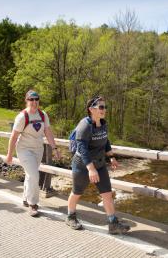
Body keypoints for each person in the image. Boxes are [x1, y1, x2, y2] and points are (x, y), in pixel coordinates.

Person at [65, 96, 130, 235]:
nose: (104, 110)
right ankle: (70, 216)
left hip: (99, 164)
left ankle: (113, 223)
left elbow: (105, 141)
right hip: (82, 165)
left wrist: (111, 157)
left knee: (107, 194)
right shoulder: (84, 125)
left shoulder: (103, 124)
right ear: (91, 109)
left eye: (105, 107)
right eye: (101, 107)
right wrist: (90, 168)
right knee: (77, 192)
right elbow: (82, 149)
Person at [6, 90, 61, 217]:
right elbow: (13, 137)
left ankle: (26, 198)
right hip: (24, 150)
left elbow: (48, 132)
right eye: (31, 99)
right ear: (26, 100)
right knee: (34, 175)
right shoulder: (22, 117)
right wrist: (9, 154)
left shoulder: (43, 115)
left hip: (38, 149)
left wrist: (55, 148)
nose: (34, 102)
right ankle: (33, 204)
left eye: (36, 99)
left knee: (30, 175)